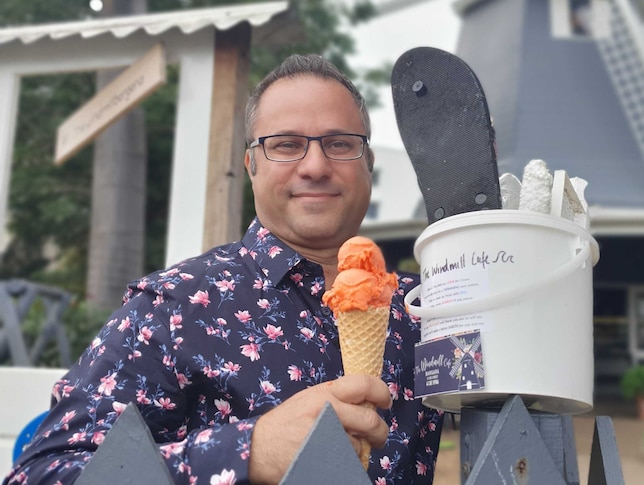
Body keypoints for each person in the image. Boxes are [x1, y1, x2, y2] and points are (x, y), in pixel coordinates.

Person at [5, 54, 443, 485]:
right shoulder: (174, 306)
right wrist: (249, 451)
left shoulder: (427, 306)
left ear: (367, 163)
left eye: (340, 143)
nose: (315, 166)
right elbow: (43, 473)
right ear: (252, 165)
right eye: (286, 144)